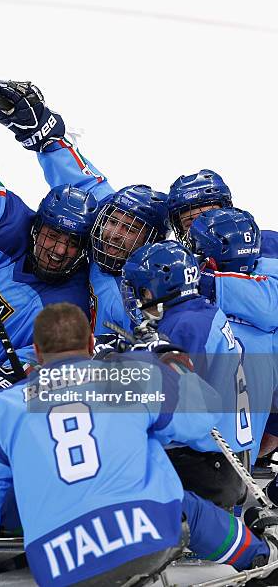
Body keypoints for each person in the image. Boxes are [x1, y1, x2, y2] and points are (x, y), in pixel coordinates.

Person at [0, 302, 278, 586]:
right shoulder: (133, 379)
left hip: (58, 563)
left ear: (36, 353)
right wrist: (171, 362)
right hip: (145, 535)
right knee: (183, 504)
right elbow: (203, 417)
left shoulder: (1, 408)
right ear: (91, 342)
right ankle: (263, 558)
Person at [0, 80, 171, 335]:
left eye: (130, 229)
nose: (114, 233)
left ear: (151, 242)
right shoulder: (103, 237)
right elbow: (87, 185)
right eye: (114, 221)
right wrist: (44, 134)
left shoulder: (150, 294)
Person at [0, 132, 98, 362]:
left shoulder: (74, 306)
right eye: (52, 236)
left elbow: (37, 367)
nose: (59, 251)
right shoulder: (15, 229)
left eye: (72, 243)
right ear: (36, 228)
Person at [121, 239, 252, 508]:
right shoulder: (201, 311)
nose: (136, 297)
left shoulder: (183, 327)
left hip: (208, 465)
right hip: (229, 458)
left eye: (141, 290)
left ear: (158, 288)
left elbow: (182, 405)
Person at [189, 207, 278, 464]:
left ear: (213, 261)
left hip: (198, 454)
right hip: (242, 456)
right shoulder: (268, 324)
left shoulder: (195, 318)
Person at [167, 169, 278, 332]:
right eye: (190, 222)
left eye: (208, 215)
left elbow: (272, 309)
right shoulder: (181, 264)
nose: (201, 229)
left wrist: (207, 283)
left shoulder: (270, 244)